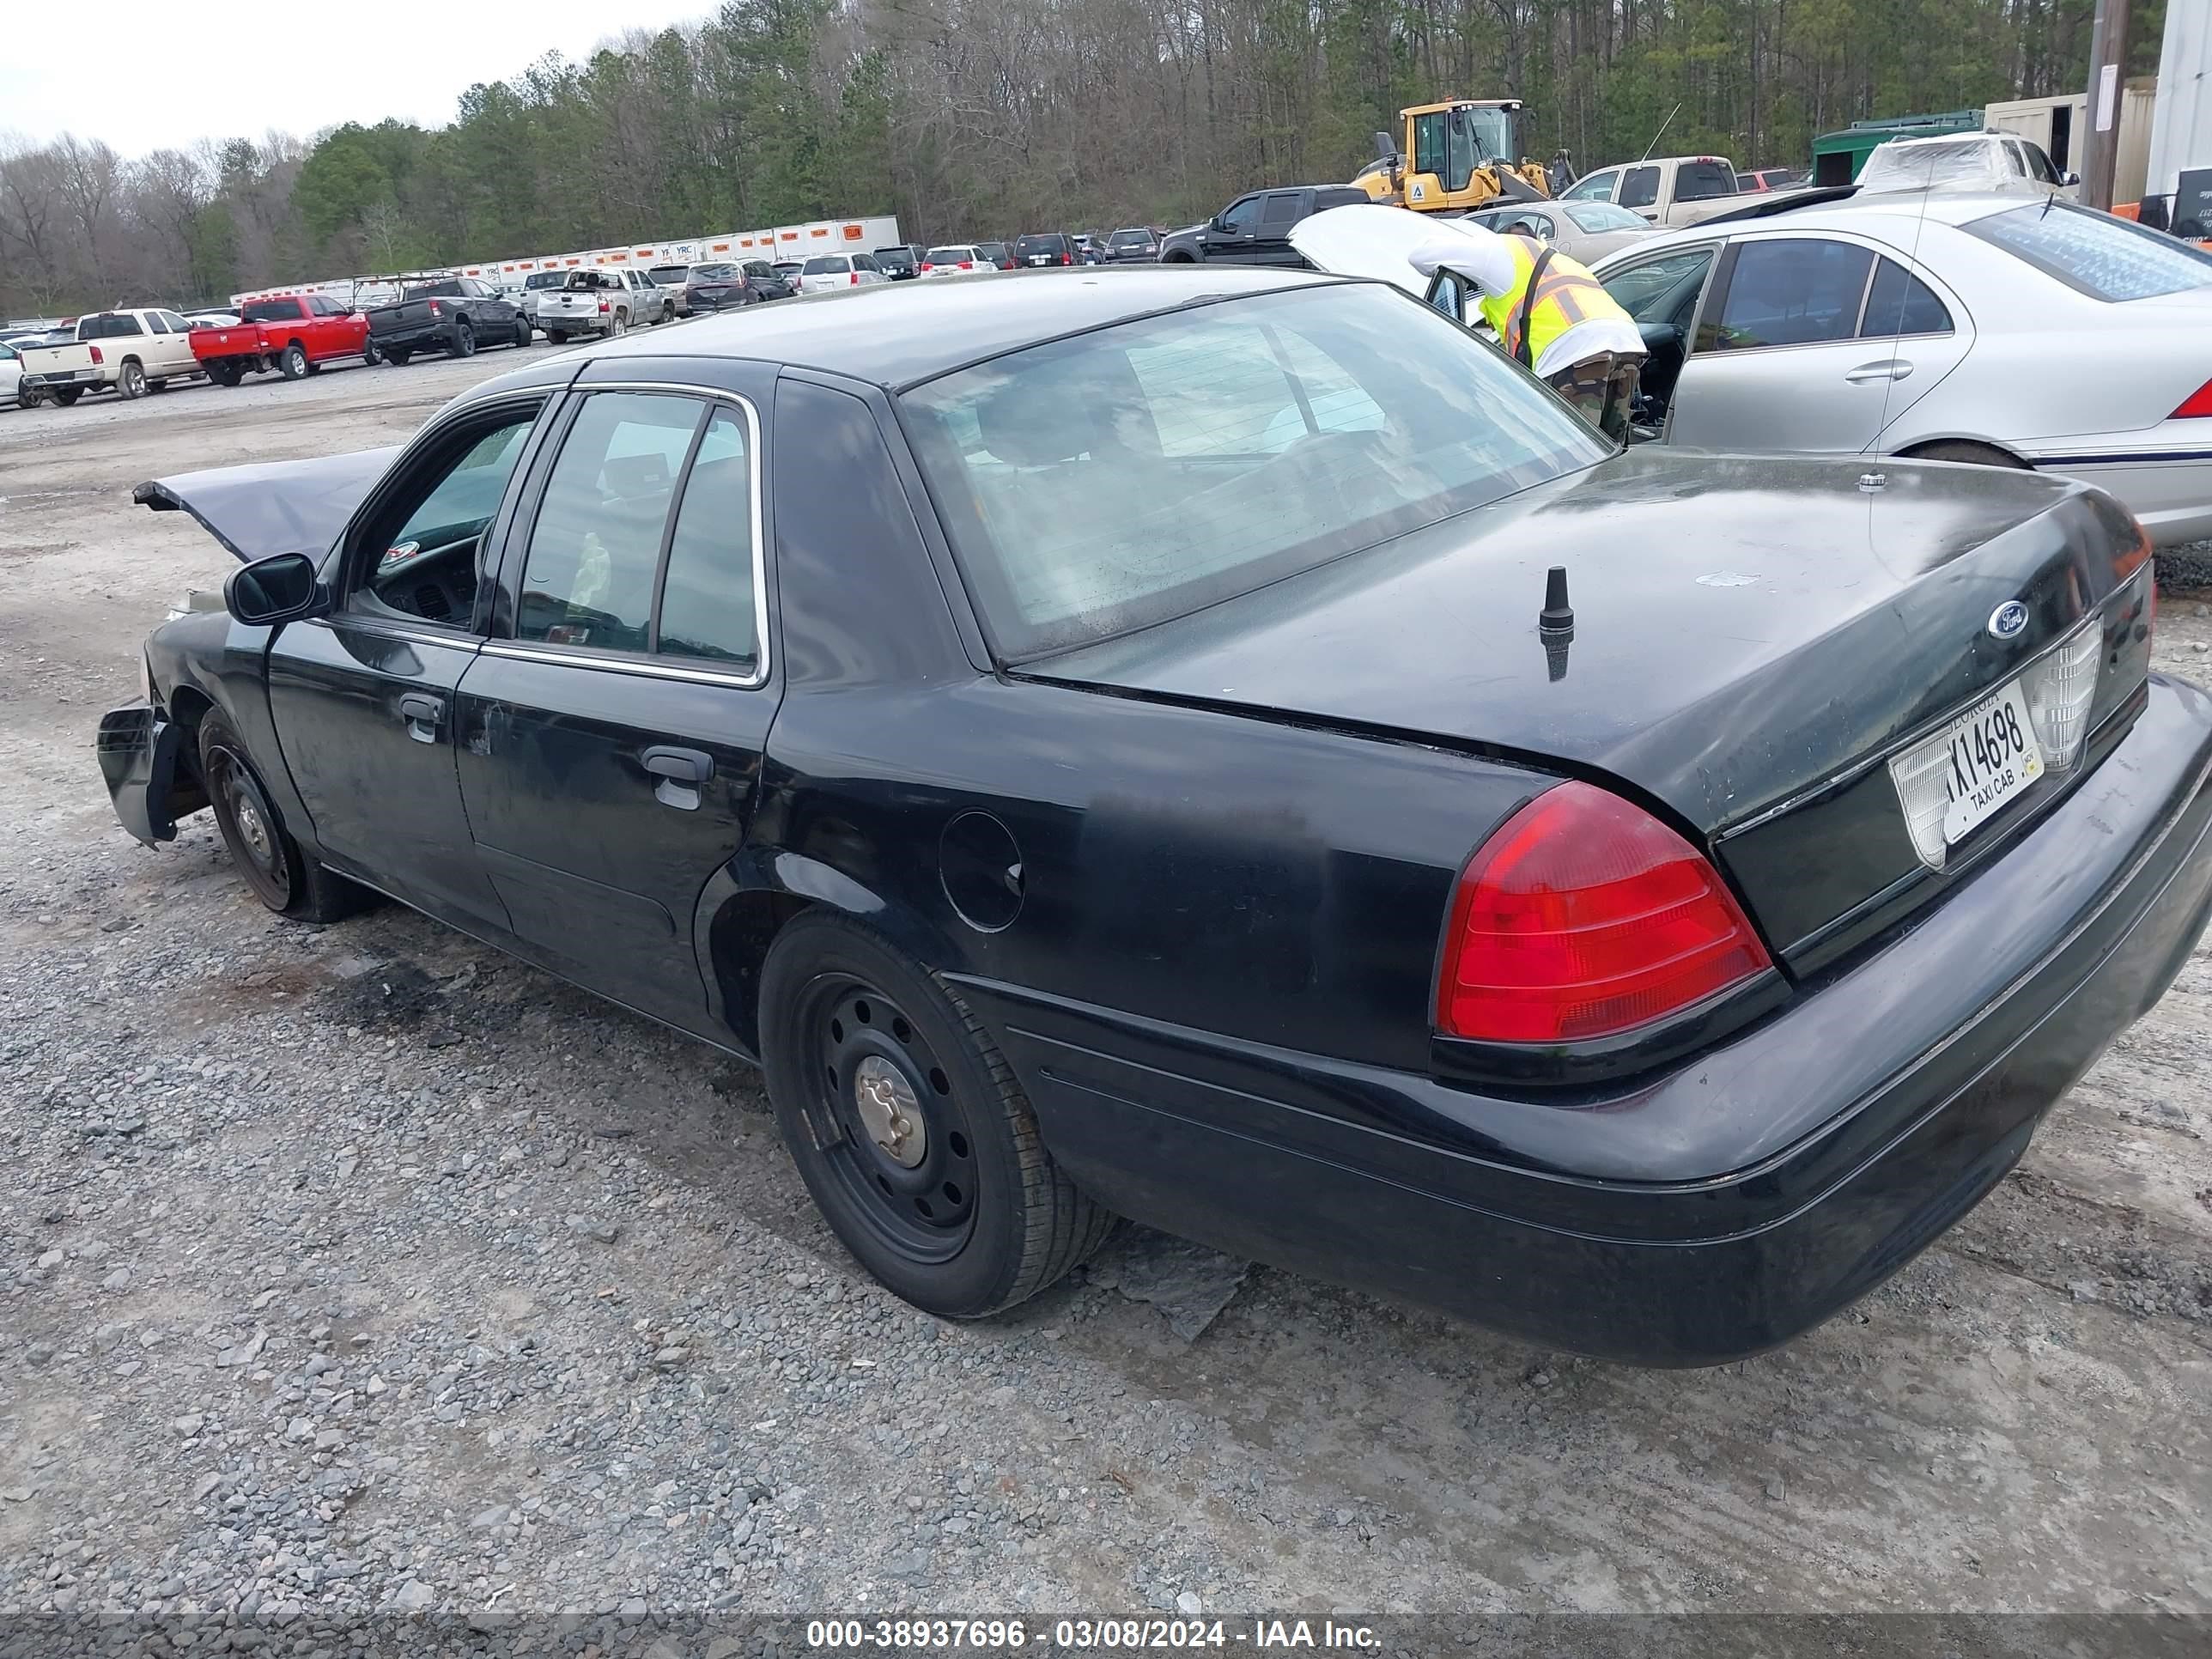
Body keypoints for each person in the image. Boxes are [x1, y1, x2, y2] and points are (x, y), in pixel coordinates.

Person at [1408, 222, 1645, 441]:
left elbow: (1420, 256)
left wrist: (1467, 270)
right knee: (1610, 447)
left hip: (1574, 351)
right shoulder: (1559, 261)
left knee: (1574, 451)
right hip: (1627, 344)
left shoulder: (1498, 249)